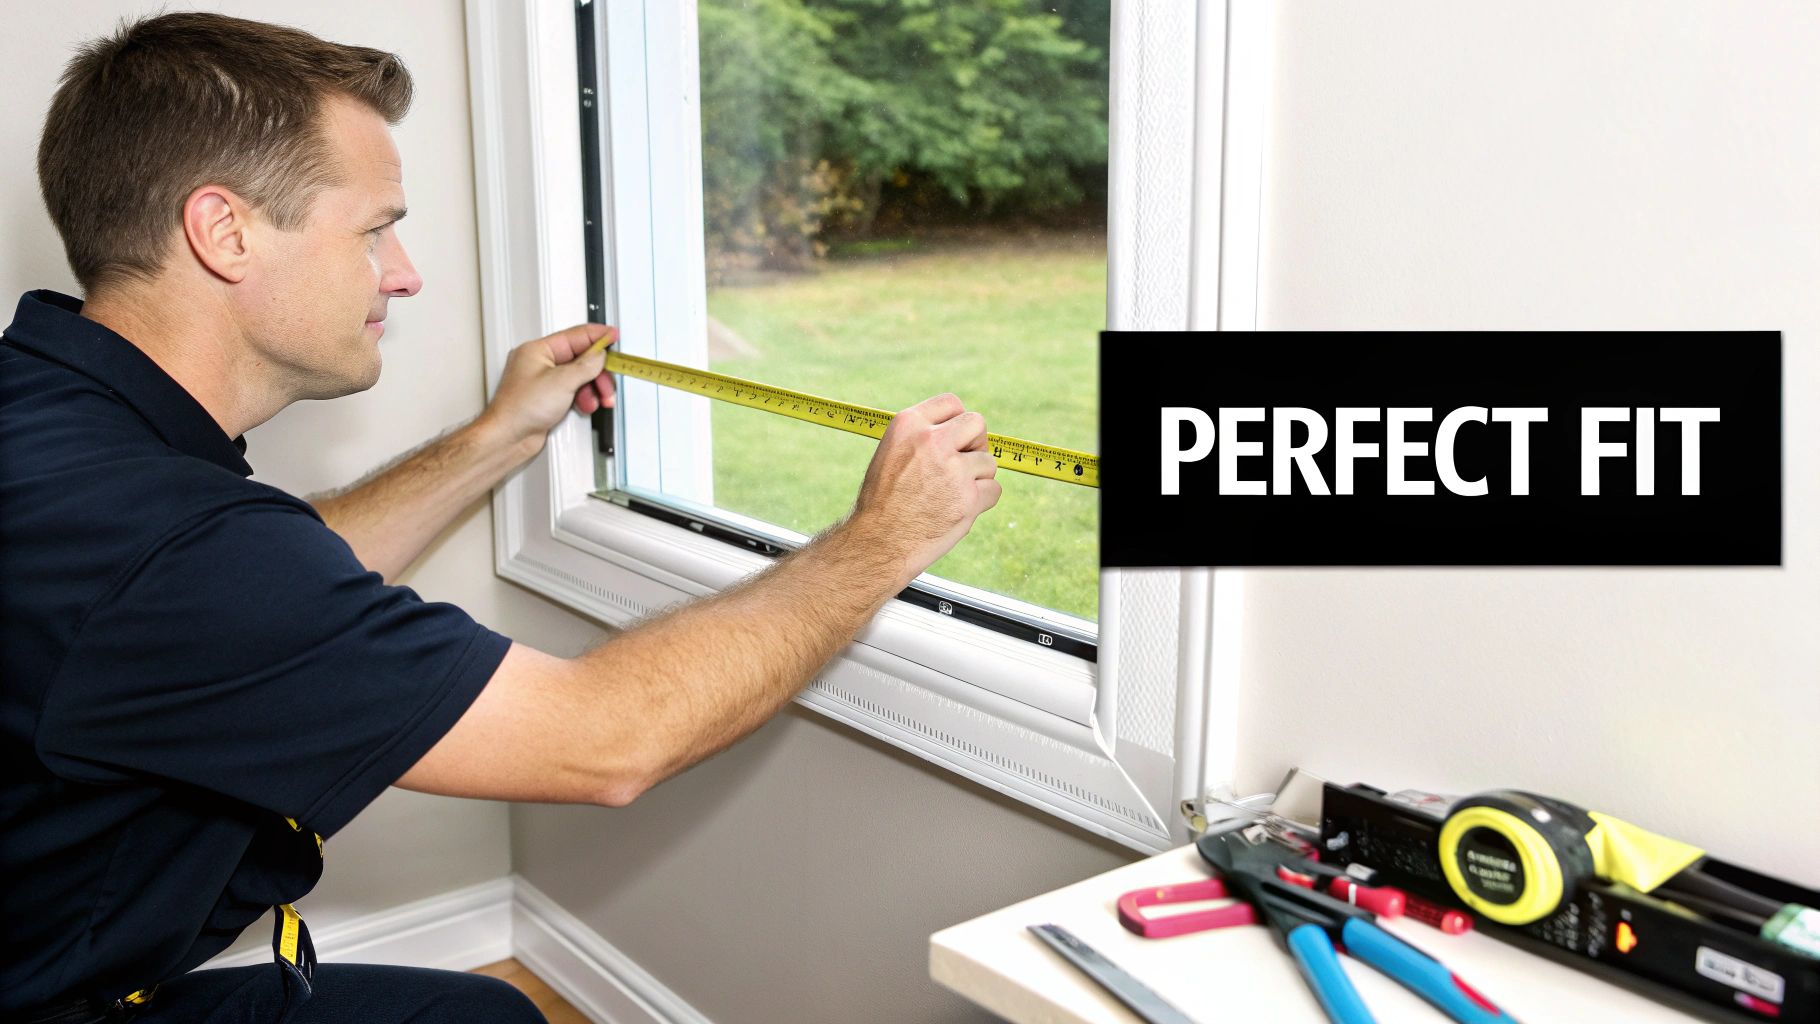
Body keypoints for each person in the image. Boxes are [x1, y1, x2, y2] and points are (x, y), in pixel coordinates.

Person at [0, 12, 1000, 1023]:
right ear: (224, 231)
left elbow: (254, 592)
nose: (404, 270)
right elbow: (610, 738)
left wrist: (497, 436)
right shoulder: (169, 548)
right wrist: (882, 539)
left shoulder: (55, 425)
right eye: (374, 227)